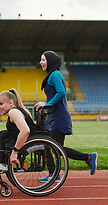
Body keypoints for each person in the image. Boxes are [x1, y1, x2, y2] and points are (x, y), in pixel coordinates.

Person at [35, 50, 98, 181]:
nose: (40, 62)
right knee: (49, 145)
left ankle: (88, 158)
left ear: (50, 61)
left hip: (59, 116)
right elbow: (55, 95)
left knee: (55, 147)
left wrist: (48, 104)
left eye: (43, 60)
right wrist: (46, 103)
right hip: (53, 116)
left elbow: (61, 92)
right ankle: (53, 173)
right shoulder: (52, 75)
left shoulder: (55, 74)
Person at [0, 88, 39, 173]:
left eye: (1, 104)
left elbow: (25, 131)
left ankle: (2, 164)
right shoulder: (15, 111)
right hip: (31, 137)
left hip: (32, 139)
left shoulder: (13, 112)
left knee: (4, 134)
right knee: (2, 134)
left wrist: (15, 152)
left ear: (11, 103)